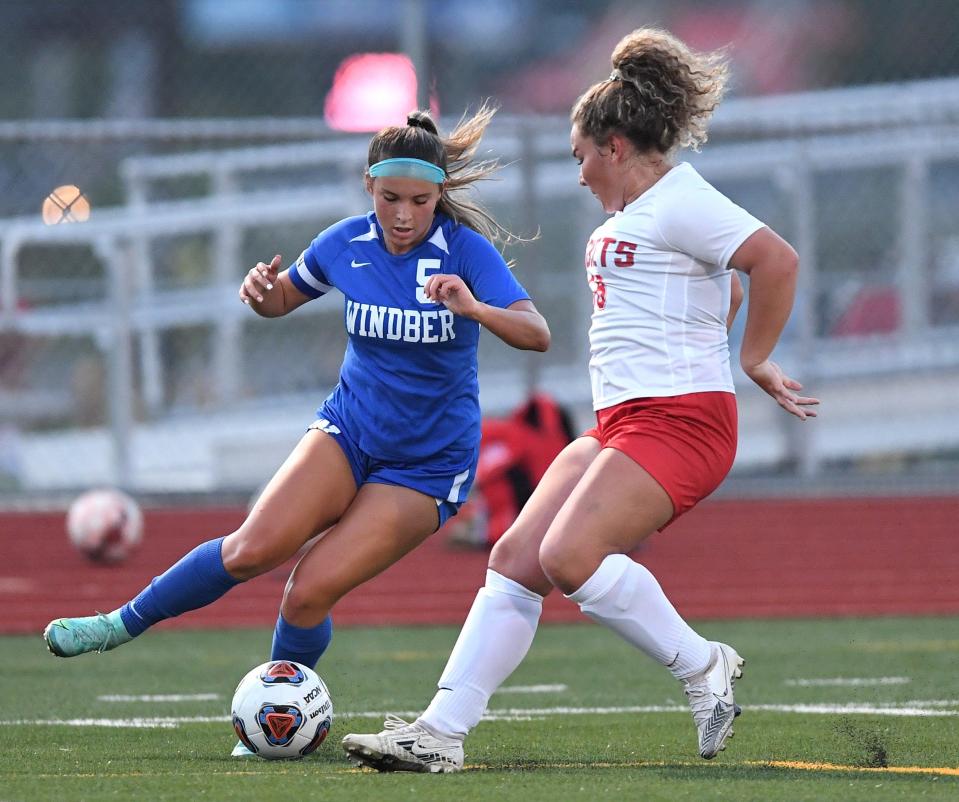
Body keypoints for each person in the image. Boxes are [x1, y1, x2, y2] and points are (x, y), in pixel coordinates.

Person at [341, 28, 819, 774]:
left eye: (580, 158)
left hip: (680, 423)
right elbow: (720, 283)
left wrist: (750, 359)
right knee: (515, 559)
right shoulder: (641, 214)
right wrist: (706, 329)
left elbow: (773, 260)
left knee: (570, 556)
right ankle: (440, 732)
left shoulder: (680, 198)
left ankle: (701, 665)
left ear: (615, 147)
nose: (578, 176)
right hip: (625, 423)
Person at [42, 105, 551, 757]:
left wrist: (474, 307)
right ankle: (117, 625)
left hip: (425, 466)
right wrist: (259, 293)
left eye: (419, 201)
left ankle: (272, 721)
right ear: (368, 186)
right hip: (347, 430)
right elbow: (282, 298)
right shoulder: (344, 244)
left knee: (308, 590)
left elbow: (537, 333)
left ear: (438, 196)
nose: (403, 214)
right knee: (252, 547)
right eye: (390, 197)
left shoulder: (465, 253)